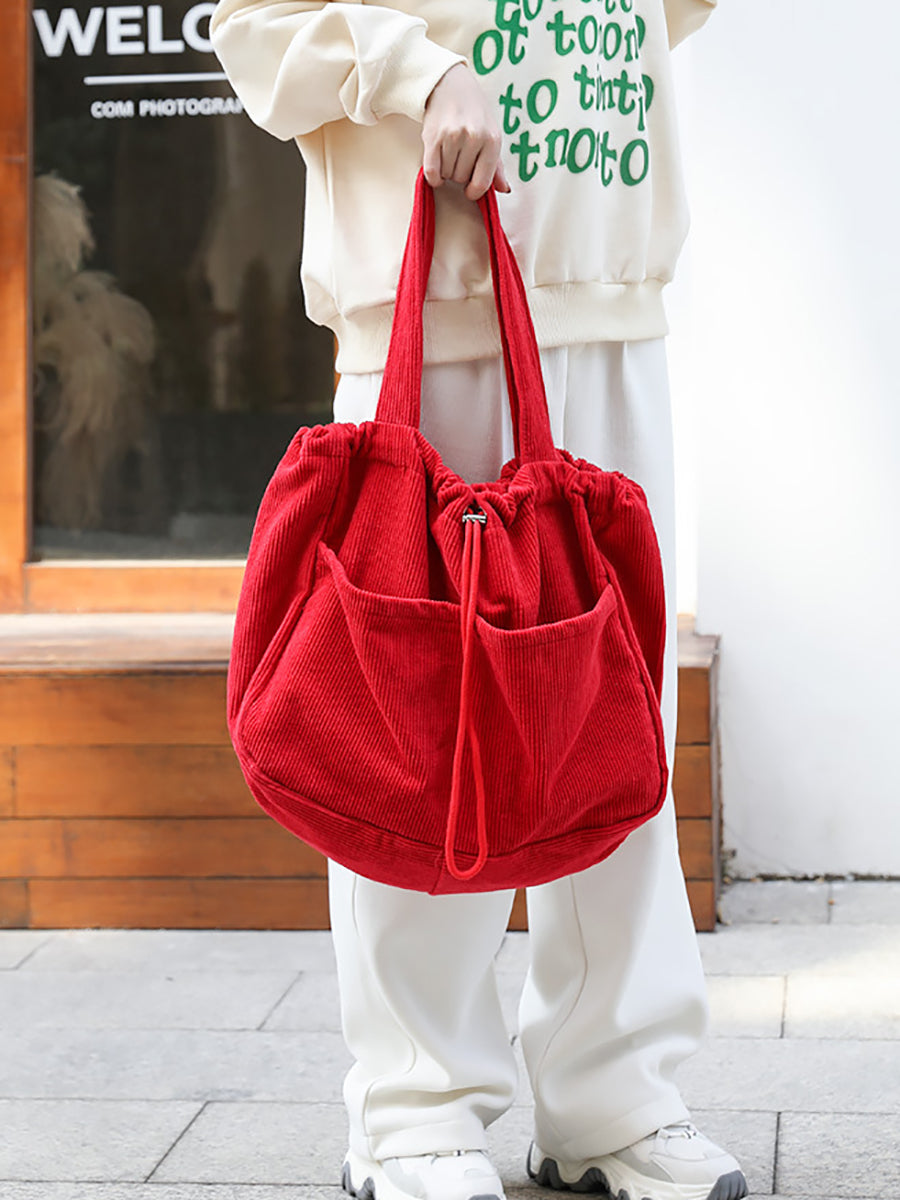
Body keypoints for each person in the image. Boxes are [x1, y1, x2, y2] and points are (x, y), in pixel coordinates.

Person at [211, 4, 747, 1200]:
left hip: (611, 299)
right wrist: (423, 72)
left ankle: (615, 1093)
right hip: (432, 300)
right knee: (409, 721)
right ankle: (413, 1109)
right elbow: (254, 30)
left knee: (611, 720)